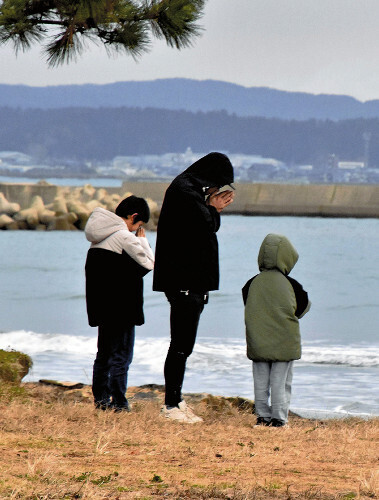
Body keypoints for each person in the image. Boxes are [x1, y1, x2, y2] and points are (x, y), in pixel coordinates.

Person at [153, 152, 235, 423]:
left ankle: (175, 400)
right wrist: (213, 207)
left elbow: (207, 226)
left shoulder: (189, 190)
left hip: (190, 281)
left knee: (183, 345)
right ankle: (171, 404)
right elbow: (206, 225)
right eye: (217, 184)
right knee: (180, 344)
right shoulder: (185, 192)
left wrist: (211, 207)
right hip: (184, 281)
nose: (216, 190)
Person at [85, 196, 154, 412]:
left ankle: (101, 400)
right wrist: (143, 241)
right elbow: (148, 264)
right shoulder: (124, 237)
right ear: (134, 217)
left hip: (102, 307)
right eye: (139, 225)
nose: (137, 230)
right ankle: (119, 403)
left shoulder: (97, 238)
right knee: (121, 355)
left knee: (103, 354)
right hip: (122, 308)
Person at [242, 233, 311, 427]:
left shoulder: (251, 283)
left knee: (261, 382)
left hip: (258, 340)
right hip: (284, 342)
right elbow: (303, 308)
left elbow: (247, 303)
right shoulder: (291, 284)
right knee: (281, 382)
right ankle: (279, 420)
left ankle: (262, 417)